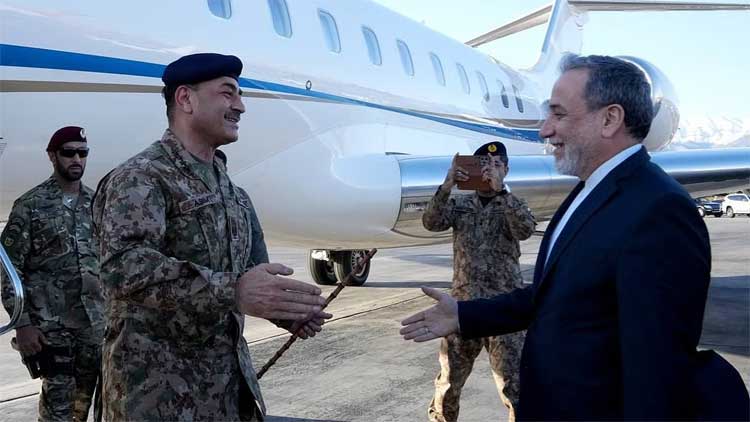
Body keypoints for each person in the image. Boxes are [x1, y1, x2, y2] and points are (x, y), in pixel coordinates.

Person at [400, 55, 749, 420]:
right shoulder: (589, 191)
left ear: (610, 119)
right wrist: (465, 314)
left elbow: (655, 368)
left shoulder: (659, 210)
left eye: (559, 114)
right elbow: (555, 295)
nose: (545, 131)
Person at [92, 53, 331, 421]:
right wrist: (233, 290)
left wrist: (286, 310)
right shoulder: (141, 177)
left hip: (229, 395)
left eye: (239, 94)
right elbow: (123, 269)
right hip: (157, 400)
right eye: (227, 93)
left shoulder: (234, 194)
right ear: (185, 99)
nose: (241, 106)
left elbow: (252, 275)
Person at [422, 142, 535, 422]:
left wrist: (502, 192)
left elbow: (524, 229)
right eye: (483, 164)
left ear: (506, 169)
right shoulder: (460, 205)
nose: (489, 171)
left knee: (515, 387)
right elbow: (431, 222)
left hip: (504, 310)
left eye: (496, 165)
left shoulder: (513, 203)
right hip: (463, 307)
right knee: (448, 383)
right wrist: (447, 185)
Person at [1, 126, 104, 421]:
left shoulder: (96, 204)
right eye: (68, 153)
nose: (77, 159)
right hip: (51, 332)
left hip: (93, 329)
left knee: (86, 408)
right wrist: (22, 324)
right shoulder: (31, 206)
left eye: (82, 153)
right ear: (52, 156)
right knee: (57, 412)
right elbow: (8, 270)